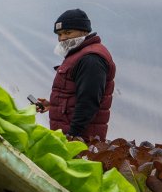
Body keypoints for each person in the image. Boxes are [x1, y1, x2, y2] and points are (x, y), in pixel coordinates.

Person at [35, 8, 116, 141]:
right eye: (59, 34)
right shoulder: (79, 55)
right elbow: (75, 94)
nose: (62, 38)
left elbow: (88, 100)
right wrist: (53, 105)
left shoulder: (91, 58)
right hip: (70, 135)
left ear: (84, 31)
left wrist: (73, 134)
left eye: (67, 32)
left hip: (81, 139)